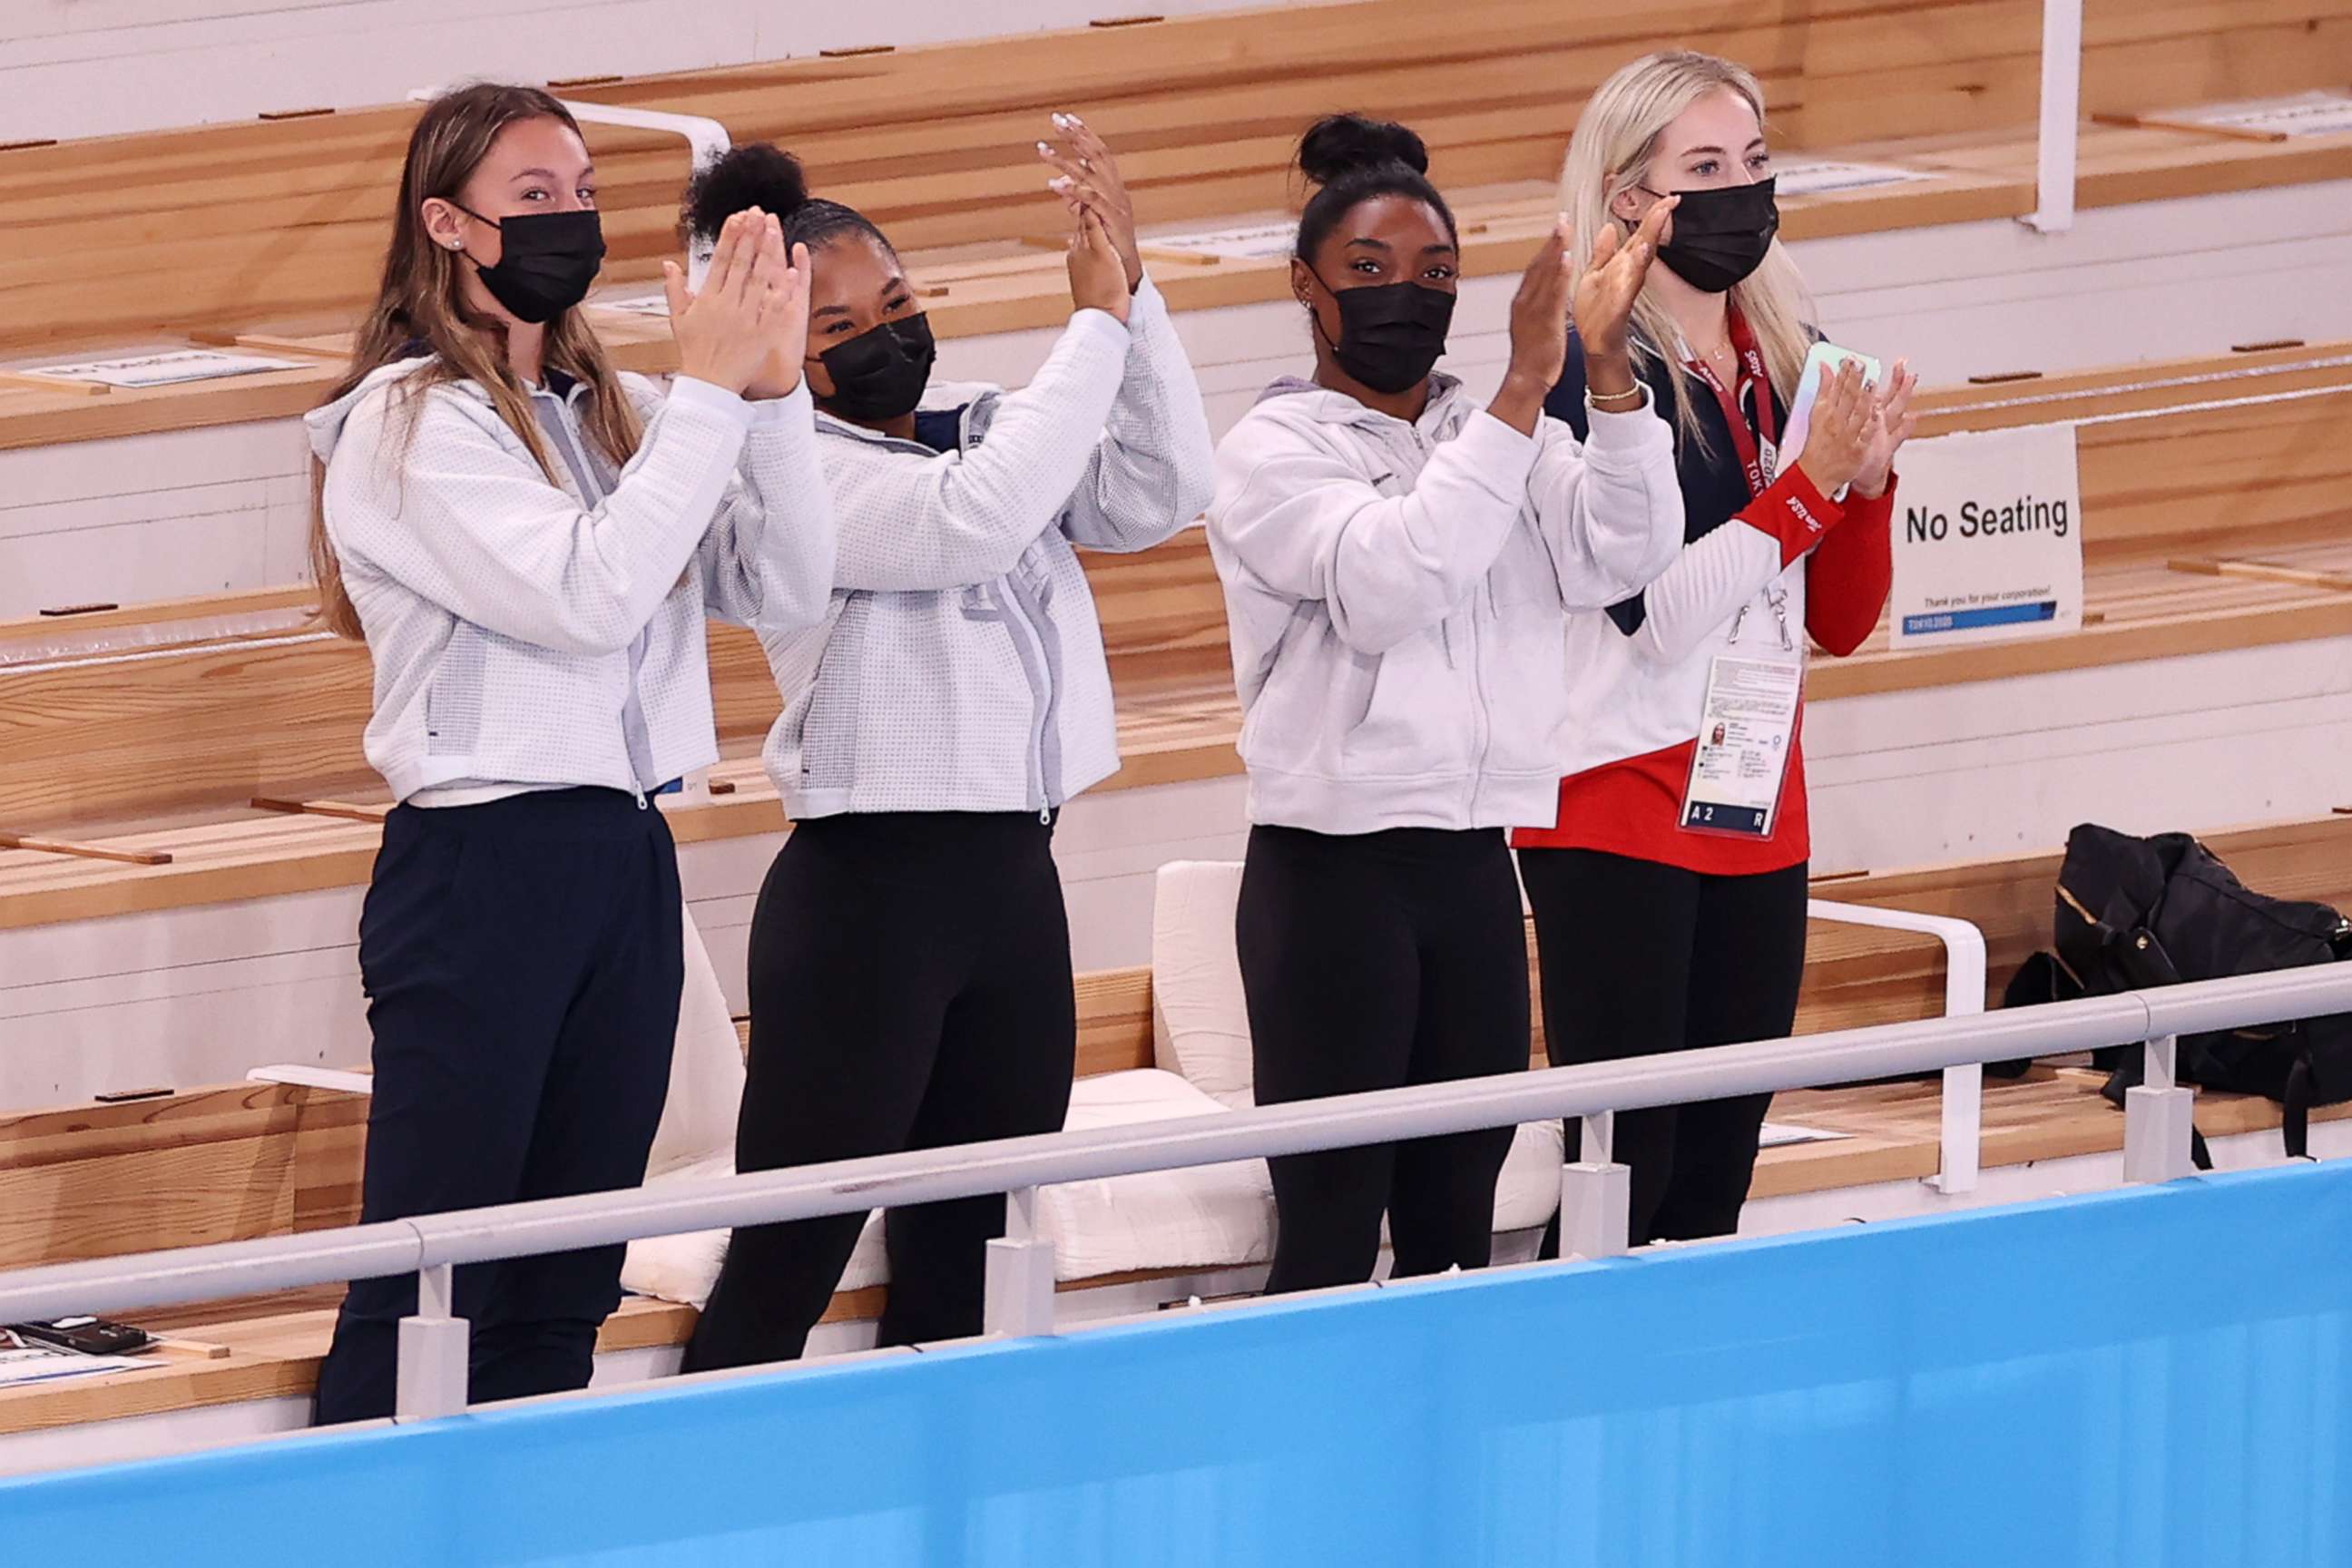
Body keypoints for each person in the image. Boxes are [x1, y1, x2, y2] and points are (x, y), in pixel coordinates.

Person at [303, 83, 834, 1422]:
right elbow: (589, 595)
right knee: (434, 1277)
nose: (572, 218)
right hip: (482, 862)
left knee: (565, 1283)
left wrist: (767, 398)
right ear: (449, 223)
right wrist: (713, 395)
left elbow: (781, 583)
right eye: (535, 196)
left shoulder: (620, 410)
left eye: (587, 192)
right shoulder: (409, 423)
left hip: (622, 854)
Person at [677, 117, 1217, 1369]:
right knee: (787, 1259)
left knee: (971, 1261)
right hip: (870, 899)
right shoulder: (796, 479)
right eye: (836, 325)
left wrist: (1131, 301)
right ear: (779, 355)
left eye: (896, 299)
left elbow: (1163, 490)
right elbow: (971, 528)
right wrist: (1089, 332)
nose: (883, 335)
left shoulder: (984, 431)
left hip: (1013, 886)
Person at [1205, 113, 1686, 1294]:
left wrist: (1607, 372)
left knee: (1456, 1232)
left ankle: (1437, 1472)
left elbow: (1625, 555)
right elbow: (1391, 581)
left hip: (1473, 869)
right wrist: (1528, 389)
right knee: (1326, 1233)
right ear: (1304, 285)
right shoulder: (1272, 449)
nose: (1401, 297)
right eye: (1366, 272)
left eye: (1434, 275)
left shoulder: (1491, 428)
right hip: (1331, 880)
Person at [1516, 51, 1919, 1249]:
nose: (1740, 191)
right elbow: (1657, 618)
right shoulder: (1597, 372)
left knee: (1715, 1179)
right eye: (1704, 168)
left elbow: (1842, 622)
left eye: (1754, 163)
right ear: (1629, 194)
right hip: (1617, 798)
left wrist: (1872, 485)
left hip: (1758, 796)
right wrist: (1810, 488)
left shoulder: (1804, 354)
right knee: (1624, 1171)